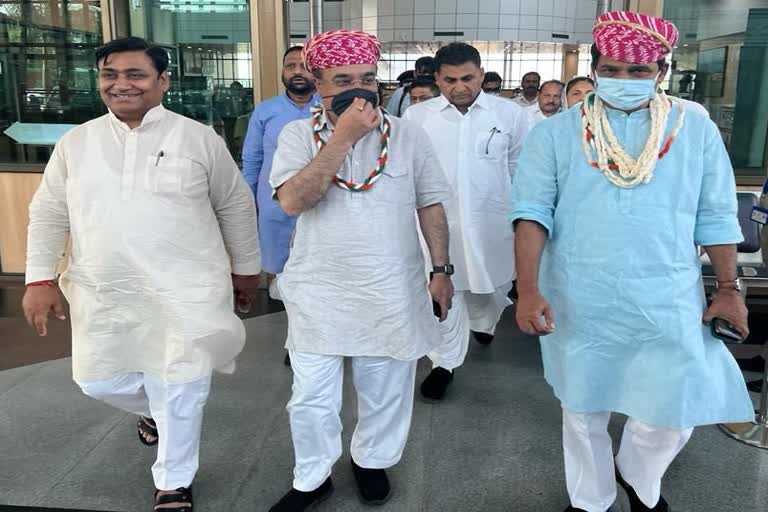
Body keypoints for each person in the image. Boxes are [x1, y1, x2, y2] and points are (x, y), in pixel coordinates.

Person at [509, 12, 753, 512]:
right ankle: (590, 500)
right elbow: (531, 214)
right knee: (582, 407)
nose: (624, 81)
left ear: (661, 71)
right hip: (579, 291)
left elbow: (717, 212)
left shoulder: (693, 126)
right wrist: (528, 289)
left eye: (638, 72)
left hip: (666, 292)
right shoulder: (556, 133)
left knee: (671, 412)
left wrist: (728, 288)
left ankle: (637, 476)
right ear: (595, 67)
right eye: (613, 70)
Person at [22, 37, 261, 511]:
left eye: (136, 74)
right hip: (104, 287)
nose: (121, 84)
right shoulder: (77, 142)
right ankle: (154, 413)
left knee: (181, 384)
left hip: (186, 287)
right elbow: (48, 213)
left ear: (162, 81)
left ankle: (173, 481)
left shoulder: (199, 139)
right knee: (97, 380)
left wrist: (247, 270)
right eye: (111, 74)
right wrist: (39, 279)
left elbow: (235, 205)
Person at [267, 30, 453, 511]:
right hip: (318, 290)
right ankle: (313, 477)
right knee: (310, 399)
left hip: (389, 288)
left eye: (368, 78)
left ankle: (372, 460)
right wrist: (343, 137)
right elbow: (293, 200)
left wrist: (441, 269)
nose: (360, 88)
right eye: (344, 78)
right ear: (317, 82)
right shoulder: (295, 134)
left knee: (386, 389)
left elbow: (430, 204)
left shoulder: (407, 133)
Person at [404, 42, 528, 401]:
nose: (460, 87)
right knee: (445, 290)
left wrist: (522, 218)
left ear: (481, 74)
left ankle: (485, 322)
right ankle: (444, 363)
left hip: (492, 221)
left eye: (468, 78)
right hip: (436, 221)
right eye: (450, 79)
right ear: (437, 79)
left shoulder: (510, 115)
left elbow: (519, 167)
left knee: (490, 288)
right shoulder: (418, 117)